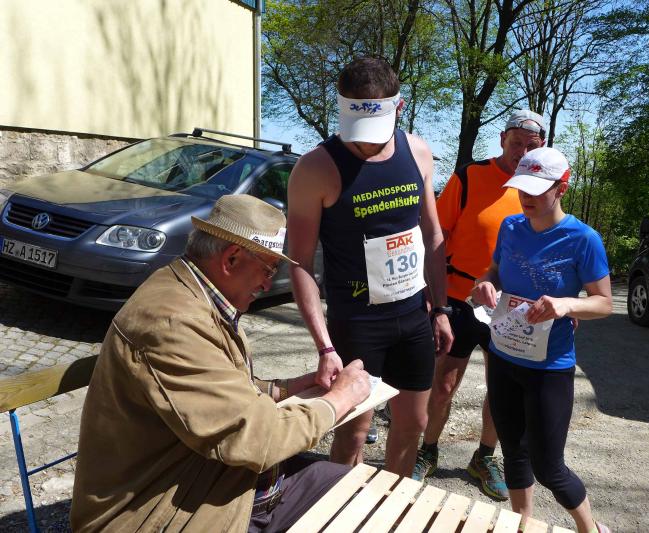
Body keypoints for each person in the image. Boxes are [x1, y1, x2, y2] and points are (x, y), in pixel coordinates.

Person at [70, 195, 372, 533]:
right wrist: (339, 400)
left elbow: (213, 392)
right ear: (231, 259)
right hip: (161, 514)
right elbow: (255, 440)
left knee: (361, 492)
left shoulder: (196, 294)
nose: (268, 284)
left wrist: (283, 390)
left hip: (212, 480)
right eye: (269, 269)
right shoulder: (173, 322)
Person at [287, 57, 453, 477]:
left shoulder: (418, 152)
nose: (365, 145)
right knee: (354, 433)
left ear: (398, 107)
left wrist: (442, 308)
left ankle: (393, 504)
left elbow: (432, 234)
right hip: (357, 322)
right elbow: (300, 263)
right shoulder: (315, 168)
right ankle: (336, 504)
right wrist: (325, 347)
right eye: (357, 132)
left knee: (413, 424)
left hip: (413, 315)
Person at [471, 147, 613, 533]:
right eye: (522, 188)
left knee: (549, 466)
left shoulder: (583, 239)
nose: (526, 197)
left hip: (549, 367)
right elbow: (494, 271)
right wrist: (485, 284)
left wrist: (566, 304)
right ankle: (523, 525)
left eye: (536, 189)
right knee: (514, 452)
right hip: (503, 356)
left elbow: (603, 303)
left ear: (561, 188)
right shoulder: (511, 227)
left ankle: (589, 528)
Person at [412, 110, 546, 500]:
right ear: (502, 139)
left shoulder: (540, 189)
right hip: (459, 298)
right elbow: (436, 236)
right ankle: (427, 450)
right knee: (443, 384)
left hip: (509, 306)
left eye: (531, 146)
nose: (521, 151)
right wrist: (432, 294)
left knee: (502, 390)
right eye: (516, 143)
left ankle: (484, 457)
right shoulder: (469, 177)